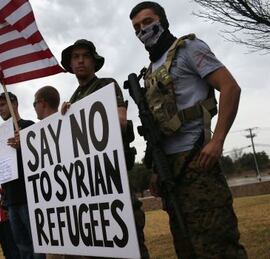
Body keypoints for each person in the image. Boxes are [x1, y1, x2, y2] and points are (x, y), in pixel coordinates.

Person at [129, 2, 247, 258]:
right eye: (136, 27)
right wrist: (155, 171)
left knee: (218, 246)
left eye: (148, 22)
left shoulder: (188, 49)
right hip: (170, 171)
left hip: (198, 161)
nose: (142, 30)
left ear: (163, 20)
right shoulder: (148, 72)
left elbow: (230, 88)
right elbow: (156, 128)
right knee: (186, 248)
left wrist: (217, 141)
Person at [60, 39, 149, 259]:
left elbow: (120, 122)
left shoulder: (106, 86)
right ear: (70, 64)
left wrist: (83, 116)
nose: (80, 60)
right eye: (75, 57)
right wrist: (65, 118)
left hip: (112, 177)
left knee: (130, 246)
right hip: (89, 187)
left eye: (85, 56)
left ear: (94, 61)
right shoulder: (73, 99)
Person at [0, 92, 45, 259]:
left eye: (3, 105)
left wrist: (25, 146)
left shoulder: (28, 126)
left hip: (30, 197)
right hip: (12, 200)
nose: (0, 109)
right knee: (22, 247)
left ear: (14, 104)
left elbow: (42, 156)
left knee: (38, 246)